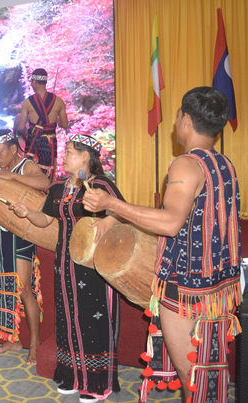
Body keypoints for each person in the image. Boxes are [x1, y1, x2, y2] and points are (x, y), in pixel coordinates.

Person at [82, 87, 241, 403]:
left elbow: (171, 222)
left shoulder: (185, 164)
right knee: (206, 373)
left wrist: (112, 204)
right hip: (216, 286)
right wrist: (118, 214)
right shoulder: (225, 164)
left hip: (185, 289)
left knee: (192, 379)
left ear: (185, 120)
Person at [10, 134, 122, 402]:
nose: (64, 155)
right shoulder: (59, 187)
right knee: (68, 319)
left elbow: (121, 212)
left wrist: (110, 220)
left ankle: (97, 382)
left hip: (94, 265)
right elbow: (46, 220)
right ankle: (71, 375)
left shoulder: (100, 185)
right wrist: (27, 213)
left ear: (85, 156)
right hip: (64, 262)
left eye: (70, 151)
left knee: (92, 320)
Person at [0, 129, 50, 364]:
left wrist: (12, 177)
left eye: (1, 152)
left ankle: (34, 343)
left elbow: (45, 182)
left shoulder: (26, 166)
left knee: (24, 290)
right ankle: (14, 340)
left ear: (14, 149)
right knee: (5, 288)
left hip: (22, 235)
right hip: (0, 234)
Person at [17, 69, 69, 178]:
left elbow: (21, 127)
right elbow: (64, 125)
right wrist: (53, 117)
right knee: (49, 174)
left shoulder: (27, 102)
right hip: (50, 143)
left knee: (30, 175)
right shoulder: (59, 101)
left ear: (34, 82)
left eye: (31, 81)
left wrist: (30, 133)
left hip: (32, 142)